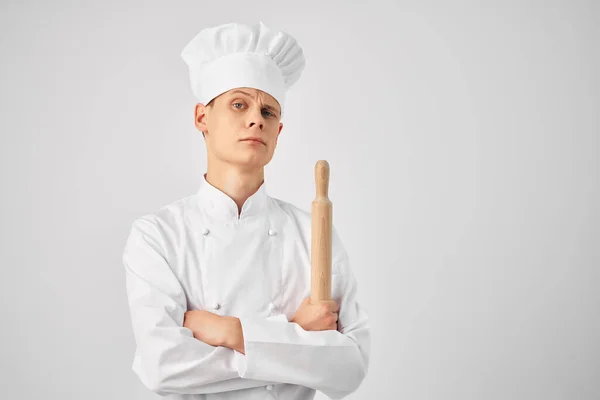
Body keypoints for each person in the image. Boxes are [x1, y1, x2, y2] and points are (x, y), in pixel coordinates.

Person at [121, 21, 370, 400]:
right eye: (239, 104)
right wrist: (293, 334)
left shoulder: (312, 233)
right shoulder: (158, 235)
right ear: (202, 117)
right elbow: (162, 367)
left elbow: (350, 368)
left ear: (279, 132)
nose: (256, 118)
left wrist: (231, 333)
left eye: (268, 112)